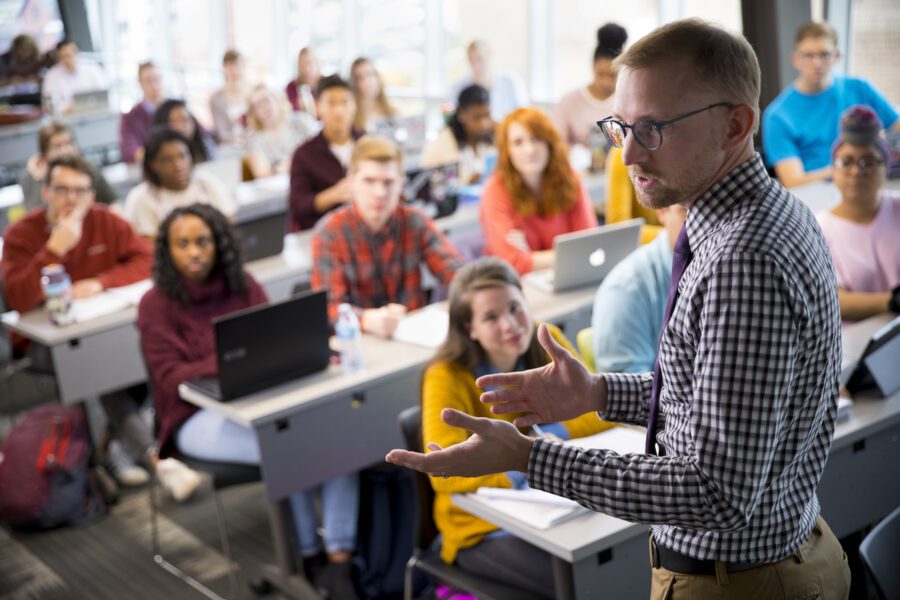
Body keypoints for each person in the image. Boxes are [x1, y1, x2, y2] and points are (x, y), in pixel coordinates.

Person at [388, 19, 851, 600]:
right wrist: (598, 395)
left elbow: (715, 493)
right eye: (620, 126)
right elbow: (714, 397)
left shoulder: (742, 261)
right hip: (774, 557)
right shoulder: (763, 215)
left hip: (741, 583)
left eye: (654, 128)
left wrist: (532, 456)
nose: (628, 153)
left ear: (735, 125)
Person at [137, 204, 360, 598]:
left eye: (202, 241)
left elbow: (268, 341)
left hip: (259, 398)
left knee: (337, 436)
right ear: (167, 250)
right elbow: (170, 377)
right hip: (193, 417)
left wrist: (234, 361)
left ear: (218, 243)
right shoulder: (155, 304)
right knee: (292, 447)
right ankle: (308, 558)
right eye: (182, 244)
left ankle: (338, 562)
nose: (194, 252)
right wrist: (230, 360)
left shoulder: (242, 284)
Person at [423, 257, 615, 598]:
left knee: (622, 556)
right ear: (470, 329)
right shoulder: (446, 375)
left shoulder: (547, 341)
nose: (511, 324)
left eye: (515, 307)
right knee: (587, 582)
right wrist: (521, 460)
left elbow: (600, 409)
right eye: (491, 317)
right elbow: (442, 469)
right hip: (483, 531)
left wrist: (557, 434)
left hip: (559, 507)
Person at [0, 154, 176, 491]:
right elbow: (19, 299)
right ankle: (153, 457)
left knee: (136, 351)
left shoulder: (105, 221)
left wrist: (102, 281)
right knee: (97, 363)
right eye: (62, 189)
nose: (72, 199)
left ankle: (116, 446)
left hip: (101, 327)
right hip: (42, 343)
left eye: (80, 191)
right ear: (46, 191)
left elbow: (147, 260)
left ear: (92, 196)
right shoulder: (21, 234)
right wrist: (54, 248)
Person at [311, 135, 463, 336]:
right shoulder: (328, 234)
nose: (379, 192)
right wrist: (366, 319)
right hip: (359, 343)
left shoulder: (414, 220)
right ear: (351, 181)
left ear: (401, 183)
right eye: (369, 181)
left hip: (414, 336)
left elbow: (456, 273)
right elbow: (328, 307)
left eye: (388, 182)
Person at [763, 21, 898, 189]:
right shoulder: (777, 116)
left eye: (824, 54)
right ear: (795, 59)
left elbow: (896, 126)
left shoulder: (860, 88)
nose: (816, 63)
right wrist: (851, 166)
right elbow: (794, 181)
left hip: (872, 182)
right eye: (808, 55)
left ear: (837, 56)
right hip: (821, 192)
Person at [480, 107, 598, 275]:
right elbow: (513, 263)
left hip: (567, 278)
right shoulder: (494, 190)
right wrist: (570, 254)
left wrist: (531, 256)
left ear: (549, 142)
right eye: (518, 142)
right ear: (507, 150)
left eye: (536, 139)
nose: (529, 150)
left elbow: (590, 245)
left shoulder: (569, 178)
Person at [817, 105, 900, 322]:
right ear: (833, 169)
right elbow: (833, 299)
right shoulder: (819, 229)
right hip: (857, 345)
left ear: (886, 167)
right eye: (847, 162)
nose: (857, 171)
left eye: (869, 161)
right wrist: (891, 301)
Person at [591, 204, 686, 373]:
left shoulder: (721, 272)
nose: (705, 222)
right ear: (662, 210)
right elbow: (624, 393)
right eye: (687, 210)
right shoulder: (625, 290)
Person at [124, 128, 235, 242]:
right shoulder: (141, 199)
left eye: (182, 156)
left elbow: (228, 226)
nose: (178, 165)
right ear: (152, 164)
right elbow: (148, 247)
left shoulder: (207, 184)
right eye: (167, 160)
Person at [288, 75, 361, 231]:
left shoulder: (369, 144)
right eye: (331, 103)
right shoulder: (304, 154)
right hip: (325, 232)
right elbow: (298, 208)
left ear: (355, 105)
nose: (339, 110)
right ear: (318, 106)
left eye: (345, 102)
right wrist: (336, 193)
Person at [553, 23, 627, 150]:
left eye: (612, 75)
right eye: (600, 74)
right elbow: (556, 144)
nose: (605, 82)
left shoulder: (628, 102)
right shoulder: (568, 102)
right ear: (593, 67)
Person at [20, 121, 117, 211]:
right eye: (58, 146)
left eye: (69, 144)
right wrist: (40, 179)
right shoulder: (33, 179)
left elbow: (113, 203)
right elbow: (34, 214)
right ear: (44, 153)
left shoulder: (88, 170)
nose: (65, 150)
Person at [421, 84, 495, 184]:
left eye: (487, 116)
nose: (484, 124)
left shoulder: (494, 138)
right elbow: (427, 181)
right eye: (477, 118)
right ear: (461, 114)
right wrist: (467, 182)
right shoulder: (441, 144)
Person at [244, 84, 318, 179]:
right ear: (253, 113)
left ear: (278, 99)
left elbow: (321, 151)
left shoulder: (302, 122)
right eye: (257, 106)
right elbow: (262, 174)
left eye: (266, 101)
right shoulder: (254, 139)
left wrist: (285, 167)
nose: (264, 108)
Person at [450, 41, 527, 122]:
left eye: (479, 59)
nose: (476, 65)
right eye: (471, 60)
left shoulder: (509, 81)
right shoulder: (460, 87)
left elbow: (523, 113)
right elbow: (452, 115)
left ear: (489, 57)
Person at [41, 40, 108, 115]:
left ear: (77, 53)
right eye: (63, 57)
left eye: (69, 55)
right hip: (66, 118)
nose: (66, 60)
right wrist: (66, 109)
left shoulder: (92, 68)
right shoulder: (52, 75)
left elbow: (104, 94)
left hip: (95, 113)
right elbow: (49, 105)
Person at [119, 62, 164, 164]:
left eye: (157, 79)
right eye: (148, 81)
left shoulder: (174, 109)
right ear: (140, 84)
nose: (154, 85)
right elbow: (129, 151)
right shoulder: (130, 117)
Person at [153, 99, 218, 164]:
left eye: (184, 119)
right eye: (173, 122)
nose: (181, 126)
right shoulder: (157, 155)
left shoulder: (206, 145)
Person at [209, 49, 249, 145]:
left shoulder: (253, 93)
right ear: (224, 68)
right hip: (230, 145)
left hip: (254, 141)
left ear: (243, 66)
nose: (235, 71)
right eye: (230, 67)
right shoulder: (216, 98)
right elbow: (220, 132)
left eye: (237, 66)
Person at [349, 57, 398, 133]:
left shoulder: (393, 112)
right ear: (354, 83)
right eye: (360, 78)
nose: (367, 82)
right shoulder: (351, 115)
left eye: (370, 74)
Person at [285, 47, 321, 116]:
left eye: (309, 63)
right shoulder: (291, 87)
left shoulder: (326, 84)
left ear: (317, 63)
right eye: (302, 65)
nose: (307, 69)